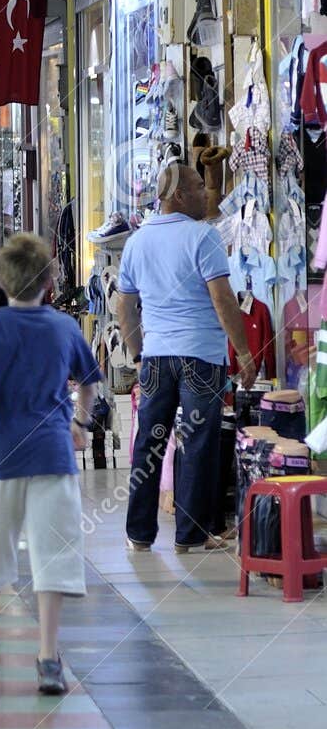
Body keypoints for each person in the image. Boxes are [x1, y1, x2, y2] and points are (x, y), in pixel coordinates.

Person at [0, 233, 102, 694]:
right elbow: (89, 384)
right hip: (53, 456)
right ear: (50, 280)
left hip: (1, 458)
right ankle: (47, 658)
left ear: (1, 280)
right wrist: (79, 421)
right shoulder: (64, 327)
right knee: (53, 553)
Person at [116, 161, 257, 553]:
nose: (205, 192)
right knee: (198, 442)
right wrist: (243, 351)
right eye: (198, 186)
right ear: (178, 195)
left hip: (158, 359)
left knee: (150, 442)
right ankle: (190, 535)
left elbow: (123, 305)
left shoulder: (137, 241)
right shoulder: (203, 236)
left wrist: (138, 353)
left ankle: (139, 533)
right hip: (201, 359)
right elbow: (222, 297)